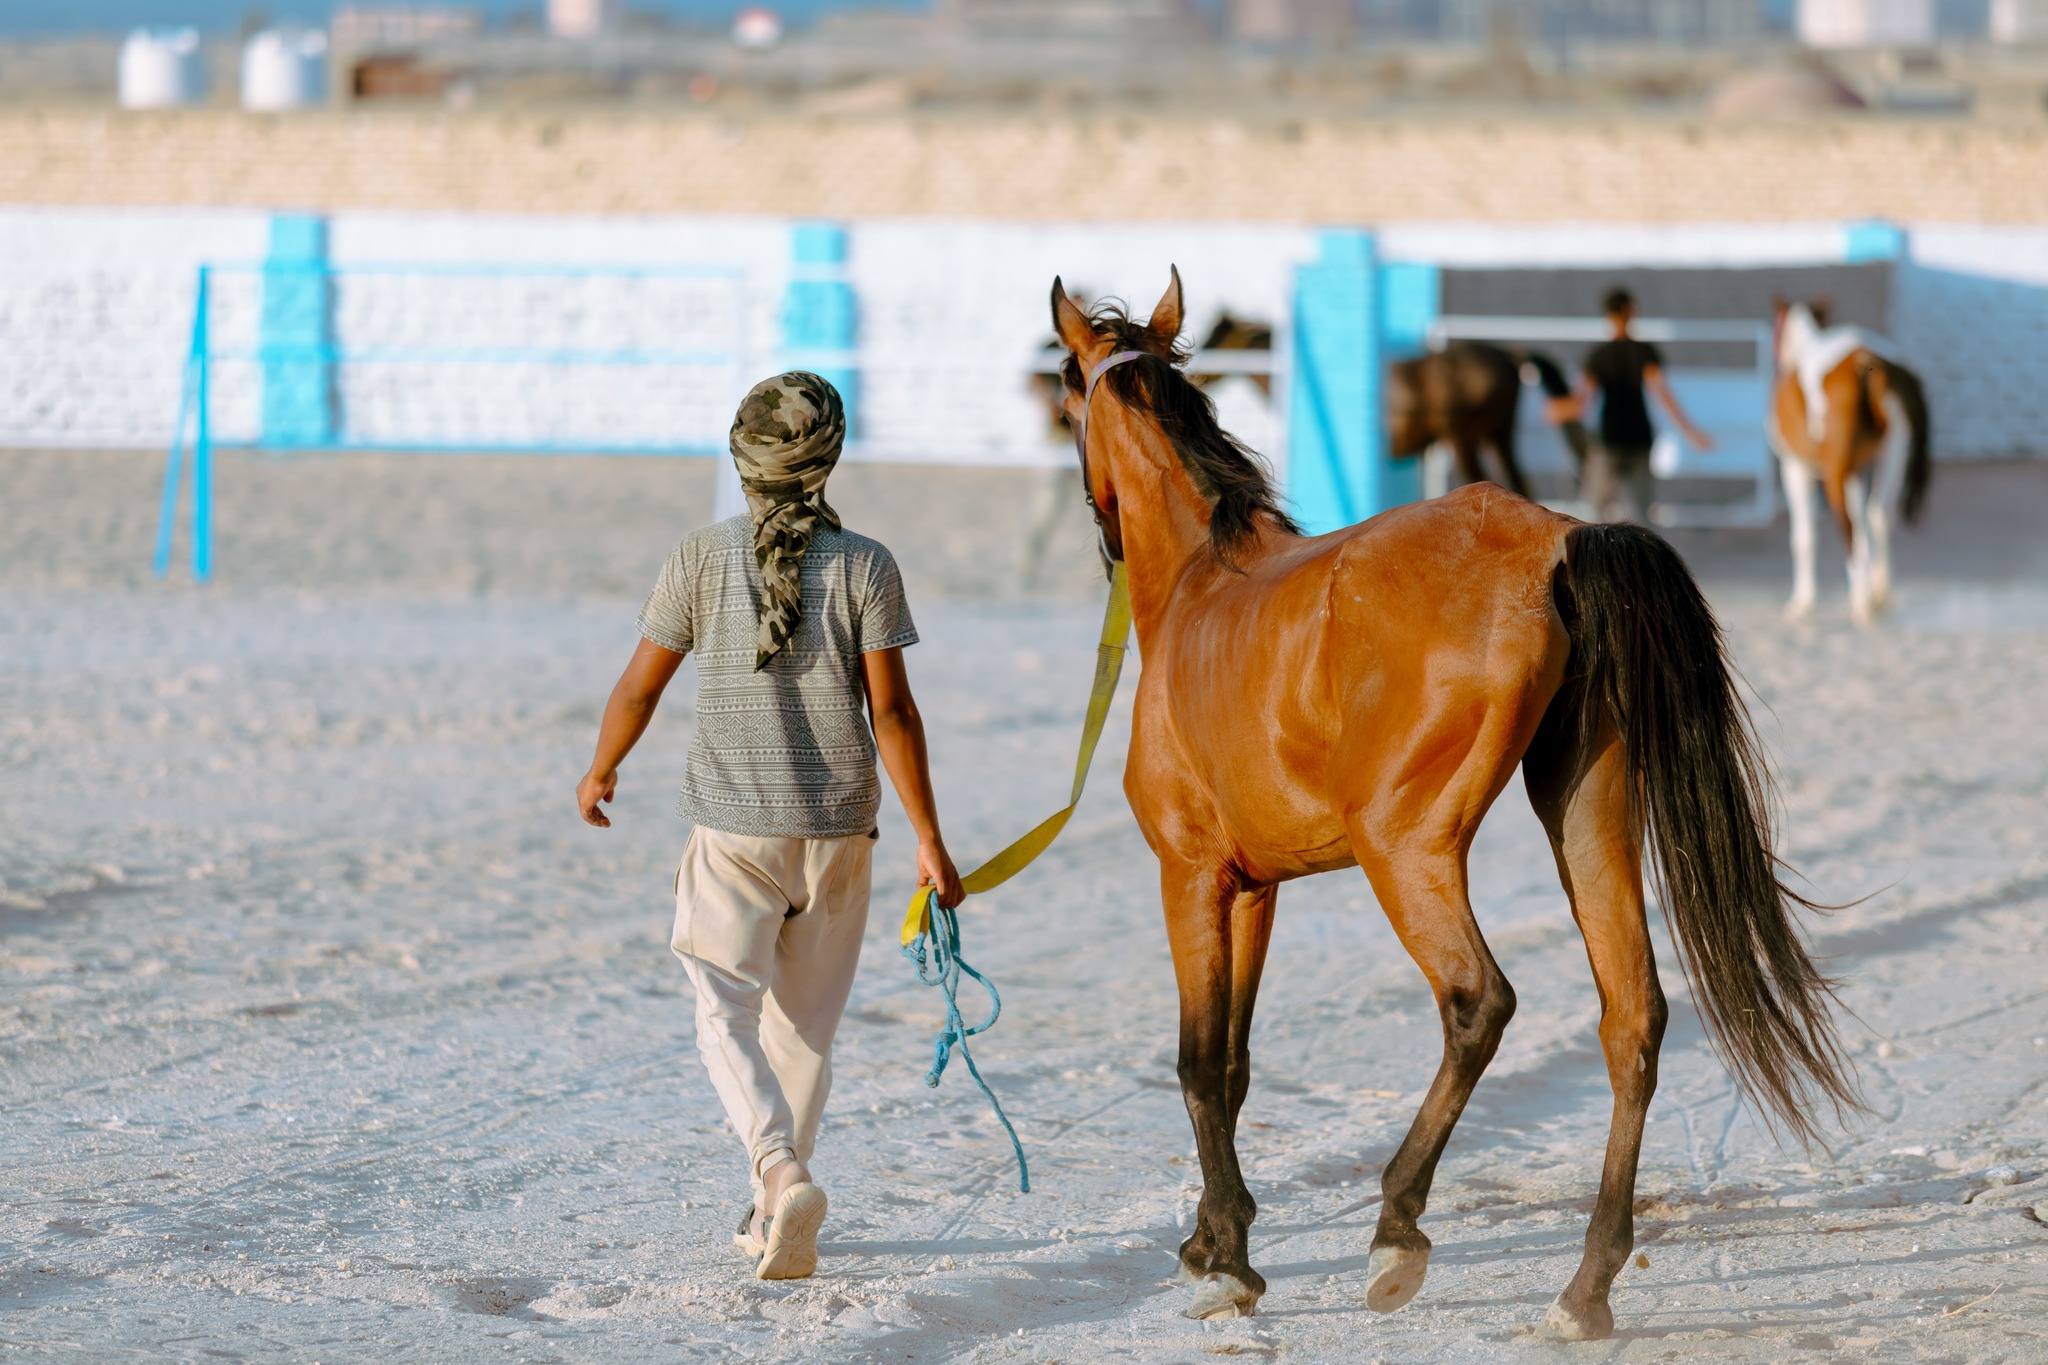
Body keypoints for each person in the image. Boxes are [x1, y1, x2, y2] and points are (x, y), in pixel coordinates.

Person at [575, 371, 965, 1281]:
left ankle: (777, 1169)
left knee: (722, 1008)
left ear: (741, 456)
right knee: (804, 1032)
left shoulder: (700, 558)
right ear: (827, 457)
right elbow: (894, 715)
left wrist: (601, 767)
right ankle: (773, 1206)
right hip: (840, 832)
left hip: (735, 831)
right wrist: (932, 838)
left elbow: (641, 684)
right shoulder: (867, 562)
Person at [1567, 286, 1715, 523]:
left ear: (1609, 315)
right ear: (1630, 311)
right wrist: (1690, 431)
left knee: (1593, 513)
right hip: (1639, 437)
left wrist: (1555, 407)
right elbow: (1662, 394)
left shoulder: (1599, 355)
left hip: (1609, 440)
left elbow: (1580, 403)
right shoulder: (1644, 351)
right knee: (1641, 515)